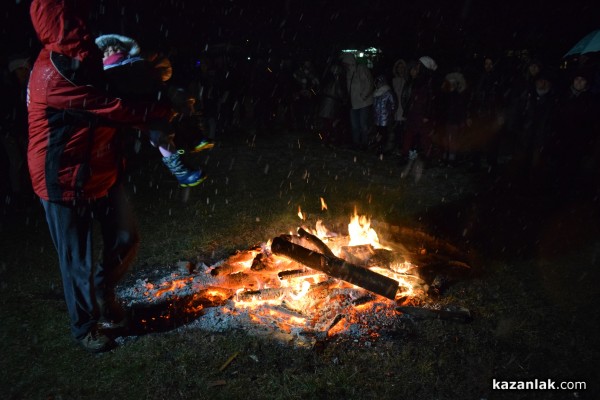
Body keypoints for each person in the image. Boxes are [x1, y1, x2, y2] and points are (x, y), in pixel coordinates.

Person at [27, 0, 173, 352]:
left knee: (126, 237)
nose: (80, 26)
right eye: (71, 22)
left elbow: (121, 87)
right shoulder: (52, 75)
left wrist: (152, 77)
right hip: (61, 178)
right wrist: (162, 110)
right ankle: (85, 327)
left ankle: (103, 293)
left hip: (101, 170)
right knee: (76, 259)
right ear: (60, 27)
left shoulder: (85, 60)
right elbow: (112, 106)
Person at [95, 34, 208, 187]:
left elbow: (159, 78)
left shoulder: (139, 64)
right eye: (106, 51)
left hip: (147, 106)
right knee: (159, 132)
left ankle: (186, 161)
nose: (109, 53)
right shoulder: (104, 73)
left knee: (164, 129)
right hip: (126, 110)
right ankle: (187, 156)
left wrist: (166, 92)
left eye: (113, 49)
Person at [0, 54, 32, 209]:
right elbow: (10, 114)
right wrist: (14, 132)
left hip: (20, 132)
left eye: (25, 70)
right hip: (11, 132)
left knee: (23, 161)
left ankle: (23, 192)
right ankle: (17, 193)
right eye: (21, 70)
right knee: (16, 162)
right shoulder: (10, 90)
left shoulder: (24, 89)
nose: (24, 73)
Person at [341, 53, 374, 150]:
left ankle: (364, 144)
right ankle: (356, 143)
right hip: (353, 103)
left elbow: (368, 83)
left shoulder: (361, 69)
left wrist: (363, 96)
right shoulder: (348, 73)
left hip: (363, 103)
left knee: (363, 124)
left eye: (345, 63)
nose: (344, 65)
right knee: (354, 125)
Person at [372, 75, 395, 155]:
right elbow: (374, 106)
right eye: (377, 82)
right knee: (378, 133)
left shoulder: (388, 93)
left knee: (384, 133)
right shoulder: (375, 93)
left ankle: (383, 149)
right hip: (377, 118)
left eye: (379, 82)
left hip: (385, 118)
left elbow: (393, 105)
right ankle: (379, 147)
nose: (377, 84)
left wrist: (390, 114)